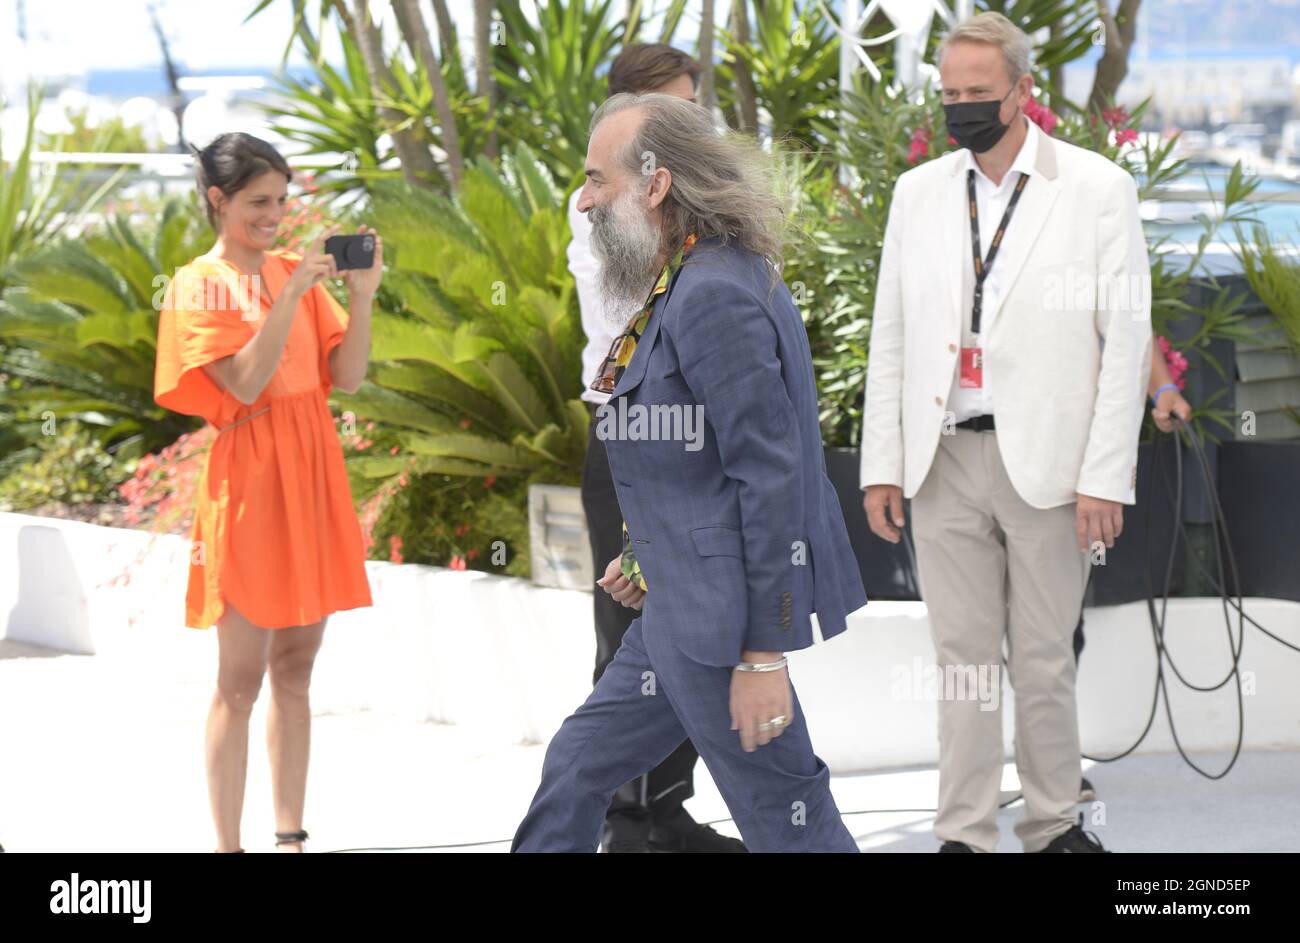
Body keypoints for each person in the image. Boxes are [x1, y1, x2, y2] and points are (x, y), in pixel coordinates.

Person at [512, 92, 867, 853]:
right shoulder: (692, 277)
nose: (584, 199)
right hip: (677, 607)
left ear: (656, 185)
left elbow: (768, 479)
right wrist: (647, 553)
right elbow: (694, 462)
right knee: (577, 767)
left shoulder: (712, 295)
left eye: (597, 180)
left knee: (787, 815)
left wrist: (763, 654)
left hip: (720, 627)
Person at [859, 12, 1151, 853]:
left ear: (1022, 92)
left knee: (1043, 658)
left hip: (1052, 466)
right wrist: (884, 464)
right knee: (961, 663)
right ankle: (964, 833)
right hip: (943, 460)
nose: (961, 108)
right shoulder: (918, 194)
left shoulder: (1095, 188)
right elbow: (892, 336)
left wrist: (1106, 476)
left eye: (978, 94)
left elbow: (1124, 339)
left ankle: (1056, 823)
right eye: (950, 94)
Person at [154, 132, 380, 853]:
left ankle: (291, 838)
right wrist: (290, 294)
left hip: (312, 474)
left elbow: (346, 377)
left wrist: (363, 297)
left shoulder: (293, 272)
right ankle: (228, 846)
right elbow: (245, 384)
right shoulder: (199, 284)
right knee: (241, 680)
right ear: (218, 200)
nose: (275, 214)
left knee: (296, 669)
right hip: (250, 484)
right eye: (258, 201)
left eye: (282, 199)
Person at [570, 42, 741, 853]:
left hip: (689, 443)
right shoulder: (606, 212)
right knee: (630, 627)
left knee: (692, 623)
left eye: (692, 110)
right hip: (633, 439)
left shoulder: (684, 210)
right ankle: (626, 819)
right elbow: (650, 321)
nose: (690, 125)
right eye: (672, 111)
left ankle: (665, 808)